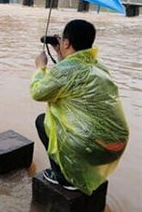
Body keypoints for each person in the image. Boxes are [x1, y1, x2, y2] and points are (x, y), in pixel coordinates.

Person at [30, 19, 129, 195]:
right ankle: (76, 170)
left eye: (63, 41)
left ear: (66, 43)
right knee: (70, 118)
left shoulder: (68, 70)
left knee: (43, 121)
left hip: (94, 147)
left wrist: (40, 67)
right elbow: (69, 80)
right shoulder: (97, 66)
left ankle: (64, 178)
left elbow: (38, 92)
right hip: (115, 145)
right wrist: (61, 57)